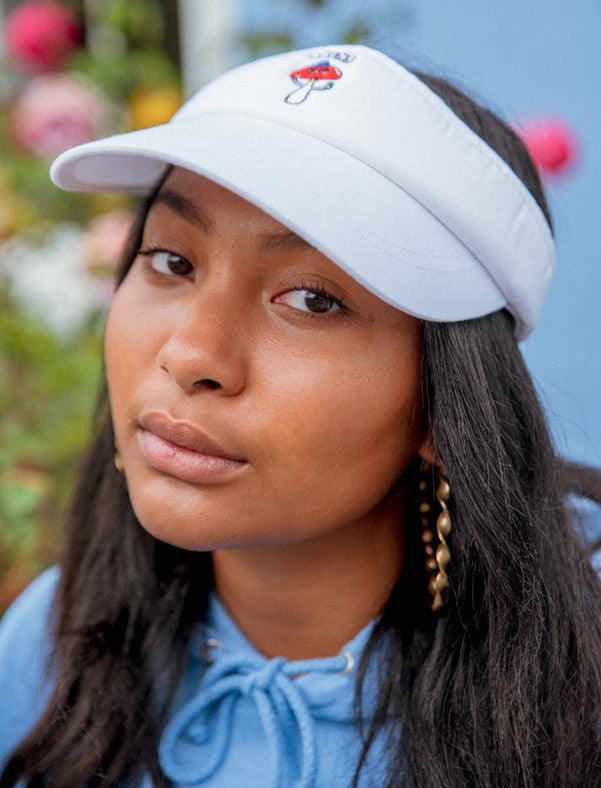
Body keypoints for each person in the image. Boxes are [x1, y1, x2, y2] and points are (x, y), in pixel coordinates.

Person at [0, 43, 600, 788]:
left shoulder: (581, 672)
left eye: (312, 300)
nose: (191, 355)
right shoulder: (49, 643)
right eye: (170, 261)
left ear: (448, 409)